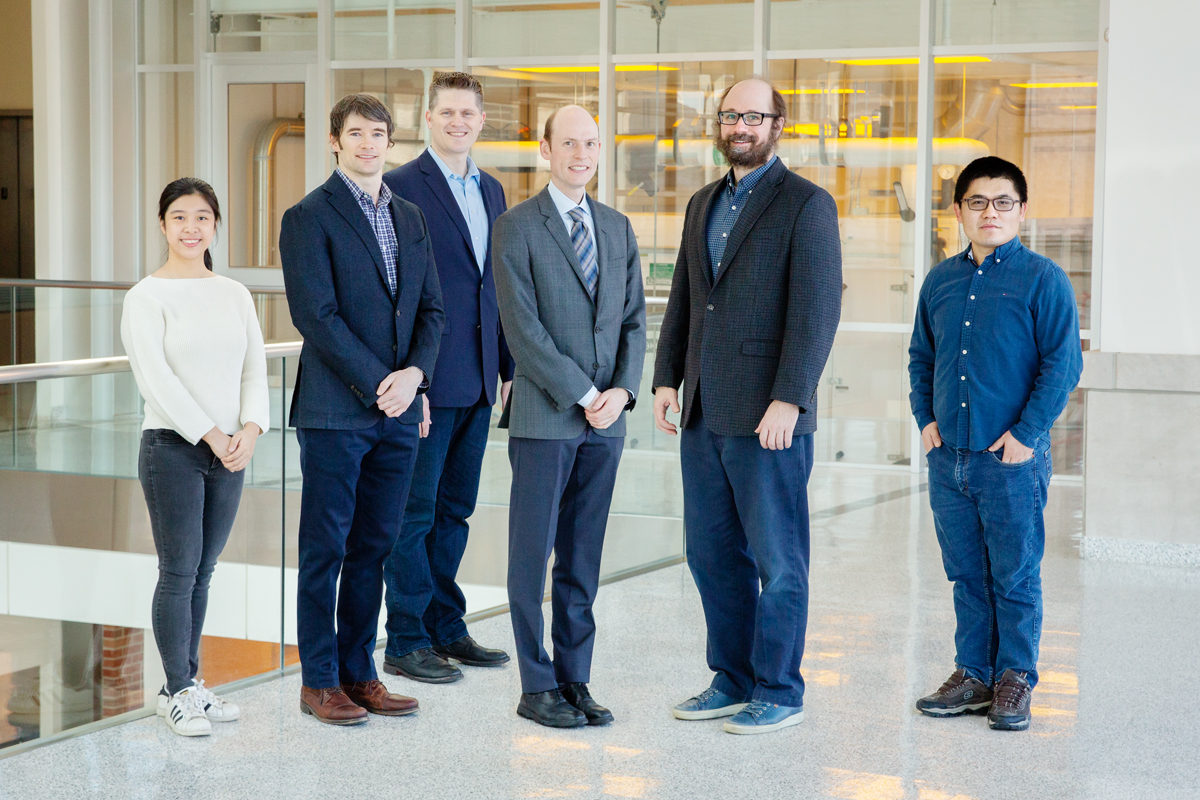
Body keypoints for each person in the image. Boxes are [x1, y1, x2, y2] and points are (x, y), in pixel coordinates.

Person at [652, 78, 842, 735]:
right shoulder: (703, 202)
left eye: (752, 116)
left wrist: (791, 396)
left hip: (770, 417)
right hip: (704, 410)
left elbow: (816, 314)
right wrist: (667, 376)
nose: (739, 126)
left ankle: (780, 689)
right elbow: (685, 295)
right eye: (730, 115)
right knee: (710, 555)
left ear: (777, 124)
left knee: (779, 562)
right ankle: (731, 678)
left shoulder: (806, 205)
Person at [280, 94, 445, 725]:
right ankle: (318, 680)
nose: (368, 144)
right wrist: (383, 382)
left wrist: (415, 378)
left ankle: (359, 672)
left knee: (375, 545)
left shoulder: (409, 215)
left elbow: (432, 309)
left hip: (399, 412)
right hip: (335, 412)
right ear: (334, 140)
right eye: (356, 134)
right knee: (326, 548)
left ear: (389, 141)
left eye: (378, 134)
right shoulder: (309, 216)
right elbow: (315, 317)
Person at [909, 156, 1082, 732]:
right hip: (949, 457)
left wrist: (1026, 437)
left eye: (1003, 202)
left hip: (1010, 460)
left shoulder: (1043, 279)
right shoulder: (940, 279)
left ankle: (1016, 678)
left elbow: (1063, 364)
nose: (990, 212)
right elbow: (921, 357)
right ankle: (975, 673)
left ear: (1021, 211)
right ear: (958, 210)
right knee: (965, 573)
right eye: (977, 202)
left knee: (1014, 574)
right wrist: (924, 421)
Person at [493, 105, 646, 729]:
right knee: (532, 558)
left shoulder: (616, 227)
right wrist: (584, 392)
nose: (581, 154)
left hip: (605, 422)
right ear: (546, 150)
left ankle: (575, 678)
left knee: (583, 557)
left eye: (591, 143)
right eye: (569, 143)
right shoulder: (516, 227)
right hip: (545, 416)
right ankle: (536, 685)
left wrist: (623, 393)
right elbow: (522, 330)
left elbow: (634, 321)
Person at [121, 177, 271, 737]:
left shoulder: (233, 292)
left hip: (230, 449)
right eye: (180, 217)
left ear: (215, 225)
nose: (191, 227)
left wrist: (251, 430)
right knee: (179, 571)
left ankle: (185, 684)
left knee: (204, 573)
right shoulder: (147, 297)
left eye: (202, 217)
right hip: (173, 450)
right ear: (163, 225)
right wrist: (213, 434)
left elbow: (254, 368)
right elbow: (157, 381)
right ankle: (178, 691)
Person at [380, 72, 514, 684]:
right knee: (414, 513)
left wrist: (506, 367)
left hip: (482, 376)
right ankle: (405, 638)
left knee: (456, 509)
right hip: (429, 379)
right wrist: (417, 380)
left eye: (469, 112)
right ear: (428, 120)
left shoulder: (493, 189)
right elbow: (398, 293)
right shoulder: (401, 185)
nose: (459, 121)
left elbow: (499, 286)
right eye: (447, 112)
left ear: (481, 121)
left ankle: (445, 626)